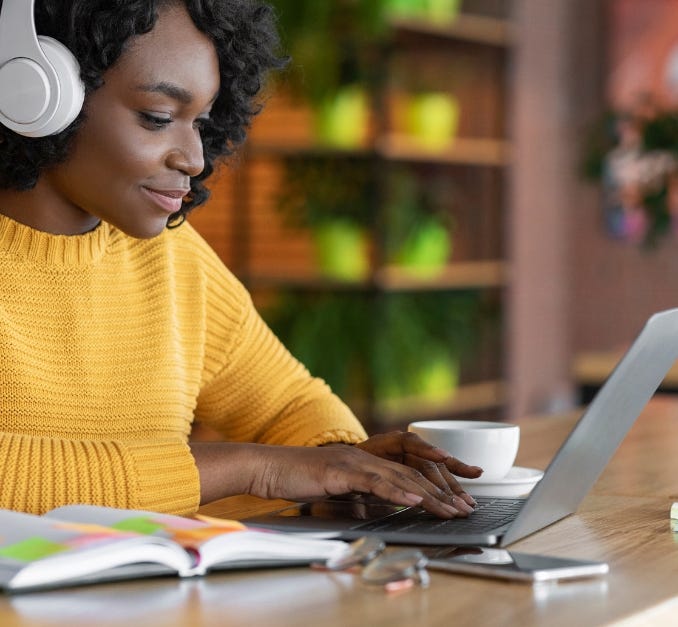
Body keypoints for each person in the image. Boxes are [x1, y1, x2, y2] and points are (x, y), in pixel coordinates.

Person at [0, 0, 482, 519]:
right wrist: (262, 468)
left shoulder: (172, 259)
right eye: (159, 118)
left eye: (201, 124)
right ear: (34, 94)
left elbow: (289, 403)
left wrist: (341, 466)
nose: (194, 157)